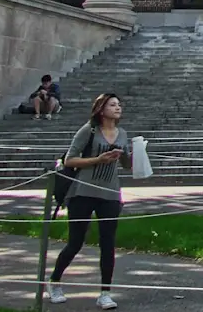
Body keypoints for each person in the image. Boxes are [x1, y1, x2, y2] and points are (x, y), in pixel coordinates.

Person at [48, 93, 132, 309]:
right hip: (83, 192)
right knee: (75, 242)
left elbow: (127, 165)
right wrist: (98, 159)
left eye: (119, 105)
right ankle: (54, 281)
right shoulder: (89, 130)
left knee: (108, 243)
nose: (117, 108)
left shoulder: (122, 133)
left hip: (110, 194)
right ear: (101, 109)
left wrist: (129, 155)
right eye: (112, 105)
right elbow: (70, 160)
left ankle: (105, 293)